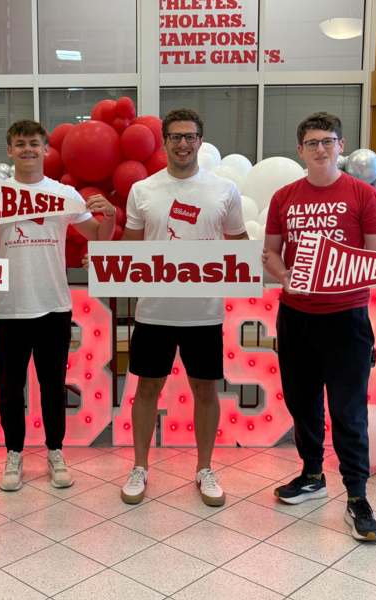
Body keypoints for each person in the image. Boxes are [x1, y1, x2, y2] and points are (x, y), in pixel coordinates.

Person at [0, 119, 115, 492]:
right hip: (8, 307)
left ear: (45, 149)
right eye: (20, 144)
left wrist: (109, 216)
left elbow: (97, 236)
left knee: (53, 387)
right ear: (10, 150)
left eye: (34, 143)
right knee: (11, 388)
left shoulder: (64, 194)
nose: (27, 149)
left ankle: (55, 452)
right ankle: (13, 454)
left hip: (54, 305)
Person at [262, 112, 376, 541]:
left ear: (341, 146)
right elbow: (271, 253)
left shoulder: (363, 195)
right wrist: (285, 277)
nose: (321, 149)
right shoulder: (284, 197)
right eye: (312, 142)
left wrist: (343, 275)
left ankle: (357, 497)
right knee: (303, 403)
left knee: (348, 411)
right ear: (300, 150)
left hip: (346, 318)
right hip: (296, 316)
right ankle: (312, 474)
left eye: (328, 141)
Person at [120, 108, 247, 507]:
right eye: (175, 136)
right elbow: (129, 250)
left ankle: (204, 468)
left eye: (190, 136)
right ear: (165, 142)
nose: (182, 144)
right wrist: (104, 260)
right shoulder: (143, 190)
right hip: (153, 311)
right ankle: (139, 467)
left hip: (204, 313)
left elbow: (240, 245)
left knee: (205, 390)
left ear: (200, 141)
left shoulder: (224, 190)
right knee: (146, 389)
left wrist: (263, 262)